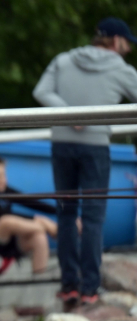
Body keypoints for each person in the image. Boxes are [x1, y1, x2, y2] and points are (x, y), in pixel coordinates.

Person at [33, 17, 137, 306]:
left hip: (62, 146)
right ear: (115, 41)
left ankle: (69, 286)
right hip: (95, 149)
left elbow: (41, 91)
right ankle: (90, 289)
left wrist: (69, 113)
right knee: (93, 219)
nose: (127, 50)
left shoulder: (63, 61)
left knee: (66, 215)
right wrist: (91, 115)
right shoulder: (121, 69)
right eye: (126, 43)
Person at [0, 155, 57, 272]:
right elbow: (2, 215)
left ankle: (39, 277)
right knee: (7, 221)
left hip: (6, 243)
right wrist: (42, 222)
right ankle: (56, 230)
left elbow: (30, 202)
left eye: (3, 175)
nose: (1, 179)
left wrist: (61, 211)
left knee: (38, 237)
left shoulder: (5, 190)